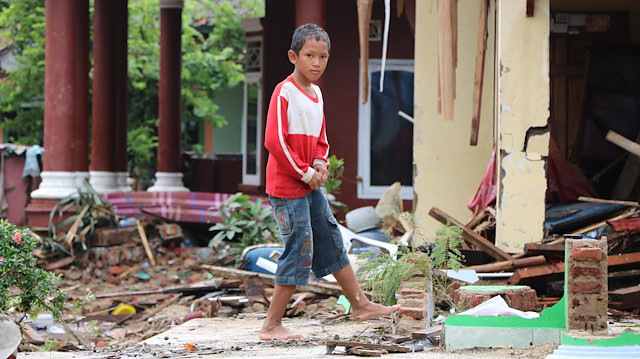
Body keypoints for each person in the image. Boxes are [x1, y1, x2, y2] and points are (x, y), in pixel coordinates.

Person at [260, 23, 400, 341]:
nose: (317, 63)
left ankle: (360, 304)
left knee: (331, 239)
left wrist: (320, 164)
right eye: (310, 55)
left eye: (323, 57)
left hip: (310, 184)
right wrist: (305, 172)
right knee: (298, 248)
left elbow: (321, 138)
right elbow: (274, 141)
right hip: (288, 187)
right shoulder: (284, 92)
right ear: (293, 56)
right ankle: (271, 326)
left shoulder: (317, 94)